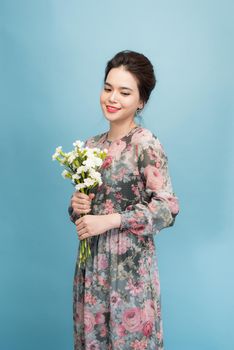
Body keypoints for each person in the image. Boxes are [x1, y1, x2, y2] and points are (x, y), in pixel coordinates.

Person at [68, 50, 180, 350]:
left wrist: (112, 220)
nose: (112, 97)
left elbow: (167, 207)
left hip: (129, 272)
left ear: (141, 100)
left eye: (124, 91)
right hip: (92, 269)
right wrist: (77, 206)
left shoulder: (145, 143)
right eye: (108, 88)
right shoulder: (92, 145)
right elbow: (88, 209)